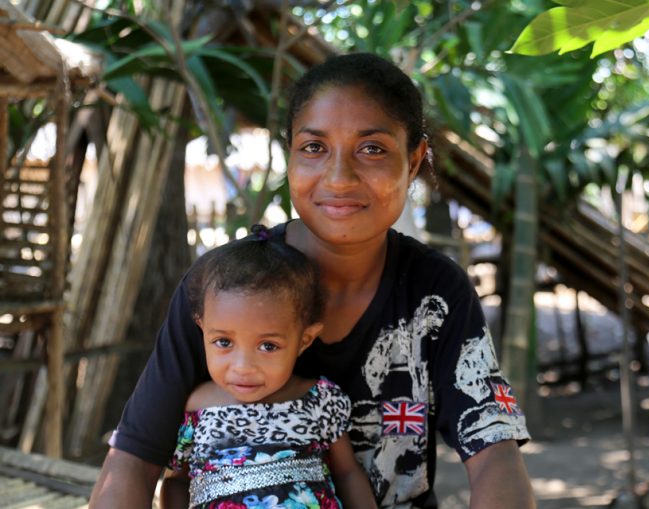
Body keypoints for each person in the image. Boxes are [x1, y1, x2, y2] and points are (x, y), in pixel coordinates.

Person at [91, 52, 535, 509]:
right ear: (290, 156)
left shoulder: (436, 294)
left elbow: (494, 456)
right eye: (314, 148)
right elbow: (133, 461)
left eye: (372, 149)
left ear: (415, 158)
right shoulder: (223, 287)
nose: (339, 178)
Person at [159, 231, 377, 508]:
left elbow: (347, 473)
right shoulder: (195, 407)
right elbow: (176, 480)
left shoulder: (321, 400)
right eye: (224, 342)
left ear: (304, 340)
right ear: (202, 329)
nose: (243, 367)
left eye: (268, 346)